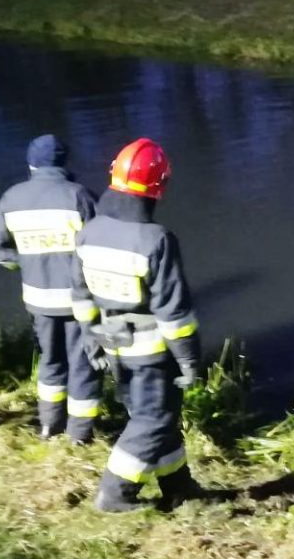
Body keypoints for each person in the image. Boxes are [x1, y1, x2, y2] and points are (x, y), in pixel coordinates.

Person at [71, 138, 206, 513]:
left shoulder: (89, 232)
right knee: (154, 418)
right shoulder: (156, 239)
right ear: (158, 186)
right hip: (151, 351)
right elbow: (174, 312)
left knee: (154, 418)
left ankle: (178, 486)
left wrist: (89, 338)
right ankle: (115, 494)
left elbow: (80, 295)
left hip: (112, 343)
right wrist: (190, 360)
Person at [0, 134, 100, 443]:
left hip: (38, 299)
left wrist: (24, 264)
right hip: (79, 300)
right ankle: (80, 434)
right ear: (63, 163)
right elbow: (101, 243)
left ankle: (49, 426)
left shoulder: (12, 197)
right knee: (82, 363)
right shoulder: (79, 196)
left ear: (31, 164)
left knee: (51, 361)